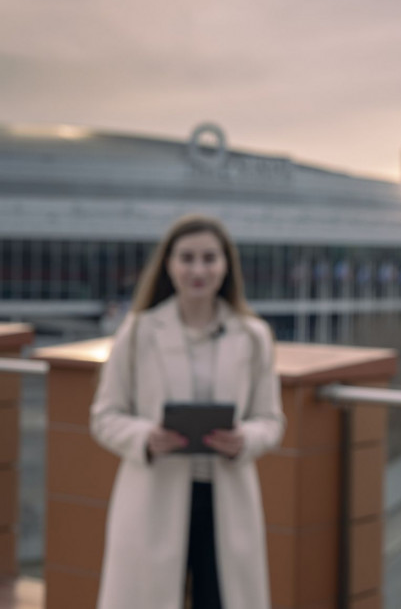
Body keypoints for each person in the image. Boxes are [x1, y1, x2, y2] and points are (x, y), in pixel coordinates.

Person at [90, 215, 285, 609]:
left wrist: (244, 439)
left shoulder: (253, 336)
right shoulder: (139, 331)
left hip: (226, 499)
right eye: (187, 258)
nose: (199, 269)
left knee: (223, 597)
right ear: (169, 264)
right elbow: (105, 416)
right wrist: (146, 437)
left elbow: (271, 421)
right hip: (153, 496)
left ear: (226, 265)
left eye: (210, 258)